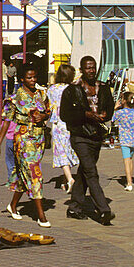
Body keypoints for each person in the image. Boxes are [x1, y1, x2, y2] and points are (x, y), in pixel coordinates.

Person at [60, 56, 115, 224]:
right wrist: (85, 114)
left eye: (93, 68)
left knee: (84, 171)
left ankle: (74, 207)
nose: (91, 71)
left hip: (96, 136)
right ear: (81, 70)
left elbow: (110, 108)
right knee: (91, 172)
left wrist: (105, 115)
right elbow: (64, 115)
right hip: (80, 136)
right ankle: (104, 209)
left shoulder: (104, 88)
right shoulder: (72, 90)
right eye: (87, 68)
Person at [4, 66, 50, 227]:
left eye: (35, 77)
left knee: (25, 175)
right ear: (22, 79)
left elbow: (48, 112)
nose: (33, 80)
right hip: (23, 140)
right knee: (35, 174)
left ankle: (13, 205)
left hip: (39, 139)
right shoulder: (15, 98)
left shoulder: (41, 94)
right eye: (29, 78)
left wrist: (43, 116)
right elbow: (7, 121)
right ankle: (41, 215)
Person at [46, 63, 77, 193]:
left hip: (58, 123)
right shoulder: (73, 89)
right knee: (68, 149)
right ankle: (66, 180)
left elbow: (48, 105)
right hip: (71, 123)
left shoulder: (52, 89)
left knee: (60, 151)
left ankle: (69, 179)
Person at [0, 97, 17, 185]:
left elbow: (4, 126)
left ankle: (12, 180)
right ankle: (16, 180)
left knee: (10, 162)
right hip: (19, 139)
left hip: (11, 139)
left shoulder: (7, 116)